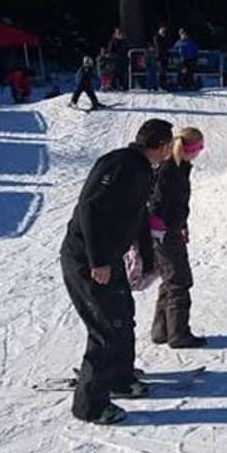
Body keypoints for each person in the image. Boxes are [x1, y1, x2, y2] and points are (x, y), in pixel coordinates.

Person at [60, 119, 174, 425]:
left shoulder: (143, 169)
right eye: (170, 144)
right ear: (162, 145)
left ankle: (120, 378)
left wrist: (148, 260)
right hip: (87, 259)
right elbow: (89, 208)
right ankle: (90, 406)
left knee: (123, 313)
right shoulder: (121, 164)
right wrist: (98, 260)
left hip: (110, 257)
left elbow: (138, 216)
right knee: (106, 327)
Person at [148, 127, 207, 349]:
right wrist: (160, 228)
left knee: (170, 279)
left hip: (171, 230)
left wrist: (182, 225)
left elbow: (177, 204)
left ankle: (162, 330)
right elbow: (156, 202)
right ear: (189, 148)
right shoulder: (168, 169)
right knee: (179, 280)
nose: (200, 152)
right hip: (162, 233)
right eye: (199, 147)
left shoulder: (180, 167)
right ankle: (178, 334)